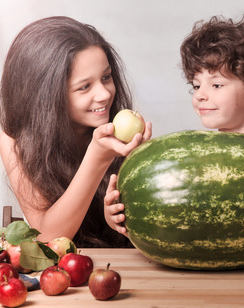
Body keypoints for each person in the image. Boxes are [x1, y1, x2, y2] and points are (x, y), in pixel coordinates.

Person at [104, 15, 244, 236]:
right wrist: (122, 214)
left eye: (216, 85)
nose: (200, 96)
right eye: (196, 86)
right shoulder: (191, 156)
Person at [0, 16, 152, 247]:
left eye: (106, 77)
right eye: (84, 86)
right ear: (46, 96)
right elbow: (48, 237)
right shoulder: (13, 139)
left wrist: (142, 164)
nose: (104, 94)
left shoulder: (123, 129)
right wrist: (98, 156)